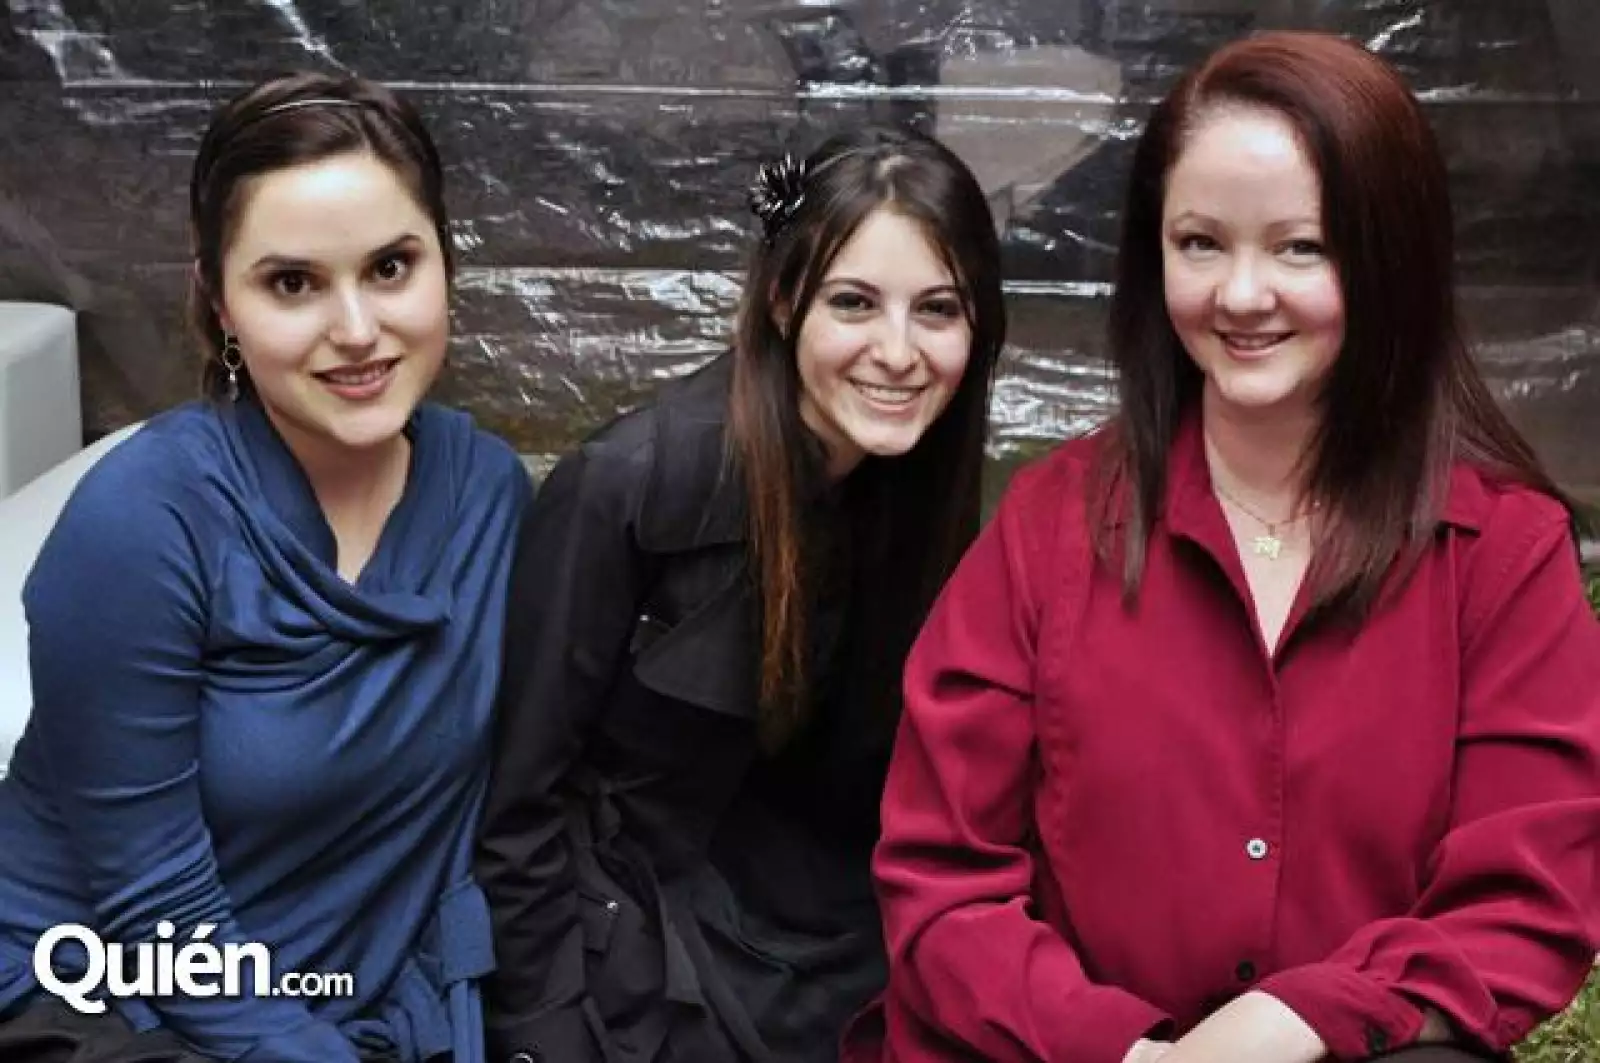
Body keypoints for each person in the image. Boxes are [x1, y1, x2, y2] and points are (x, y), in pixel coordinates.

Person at [857, 30, 1600, 1063]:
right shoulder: (1048, 522)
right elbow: (942, 881)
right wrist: (1126, 1049)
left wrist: (1289, 1020)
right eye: (1199, 243)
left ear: (1389, 255)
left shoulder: (1500, 551)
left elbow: (1524, 897)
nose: (1241, 295)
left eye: (1300, 246)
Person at [0, 72, 531, 1063]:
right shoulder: (145, 521)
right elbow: (156, 904)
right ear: (219, 301)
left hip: (345, 996)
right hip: (100, 995)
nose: (357, 329)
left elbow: (474, 817)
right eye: (293, 282)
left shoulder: (488, 494)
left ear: (444, 264)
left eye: (389, 267)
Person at [475, 124, 1006, 1063]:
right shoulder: (629, 483)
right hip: (630, 941)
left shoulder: (916, 487)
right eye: (853, 303)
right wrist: (543, 1034)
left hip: (812, 927)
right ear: (781, 298)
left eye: (938, 309)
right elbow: (518, 807)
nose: (898, 350)